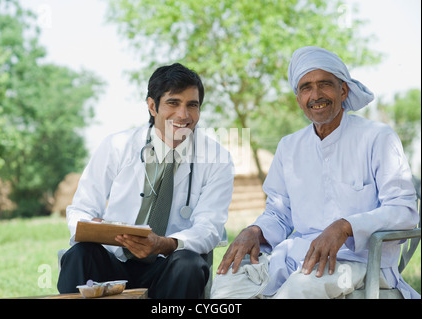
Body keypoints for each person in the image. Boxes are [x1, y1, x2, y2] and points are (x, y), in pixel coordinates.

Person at [215, 46, 419, 299]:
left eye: (325, 84)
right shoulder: (289, 146)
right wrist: (254, 231)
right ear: (298, 98)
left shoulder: (377, 137)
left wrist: (345, 227)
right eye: (306, 87)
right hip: (296, 257)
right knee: (228, 284)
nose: (316, 95)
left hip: (361, 261)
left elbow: (404, 211)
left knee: (299, 290)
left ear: (343, 90)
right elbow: (279, 212)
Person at [57, 63, 234, 299]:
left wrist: (164, 244)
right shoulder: (116, 146)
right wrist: (96, 228)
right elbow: (81, 208)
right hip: (114, 261)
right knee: (80, 254)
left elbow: (209, 227)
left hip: (168, 265)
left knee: (189, 263)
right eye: (173, 103)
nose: (183, 115)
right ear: (152, 106)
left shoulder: (217, 158)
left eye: (192, 105)